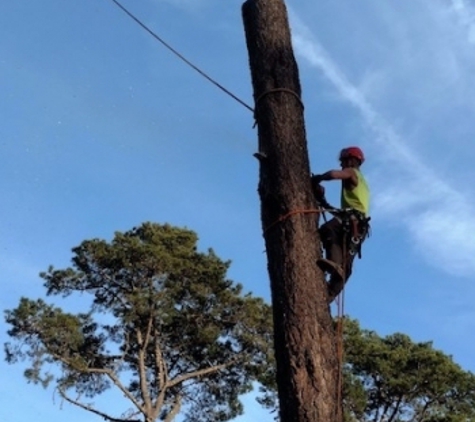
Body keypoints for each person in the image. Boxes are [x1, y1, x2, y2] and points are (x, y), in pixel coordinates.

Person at [311, 146, 370, 298]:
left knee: (328, 229)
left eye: (343, 161)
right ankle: (329, 296)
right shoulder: (364, 184)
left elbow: (333, 174)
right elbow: (343, 212)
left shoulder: (352, 172)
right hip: (359, 227)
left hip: (351, 222)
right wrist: (322, 201)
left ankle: (333, 263)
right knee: (346, 267)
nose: (341, 165)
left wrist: (318, 178)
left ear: (351, 160)